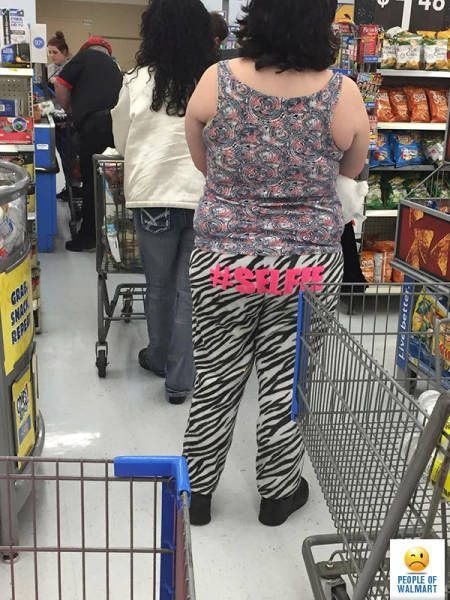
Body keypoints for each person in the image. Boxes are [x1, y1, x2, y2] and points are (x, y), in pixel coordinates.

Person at [183, 0, 370, 526]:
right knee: (289, 382)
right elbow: (352, 171)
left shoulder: (217, 80)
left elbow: (202, 160)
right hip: (306, 267)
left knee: (216, 377)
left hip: (225, 260)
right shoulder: (343, 93)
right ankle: (277, 495)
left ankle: (198, 494)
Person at [111, 0, 214, 404]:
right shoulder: (214, 81)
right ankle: (180, 380)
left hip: (152, 194)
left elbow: (121, 141)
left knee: (159, 285)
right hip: (203, 195)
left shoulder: (136, 80)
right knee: (190, 290)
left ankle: (157, 357)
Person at [55, 36, 123, 252]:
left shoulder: (84, 56)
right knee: (110, 180)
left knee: (90, 180)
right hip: (115, 126)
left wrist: (69, 110)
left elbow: (60, 84)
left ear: (87, 47)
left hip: (93, 125)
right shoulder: (115, 65)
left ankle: (87, 237)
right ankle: (113, 235)